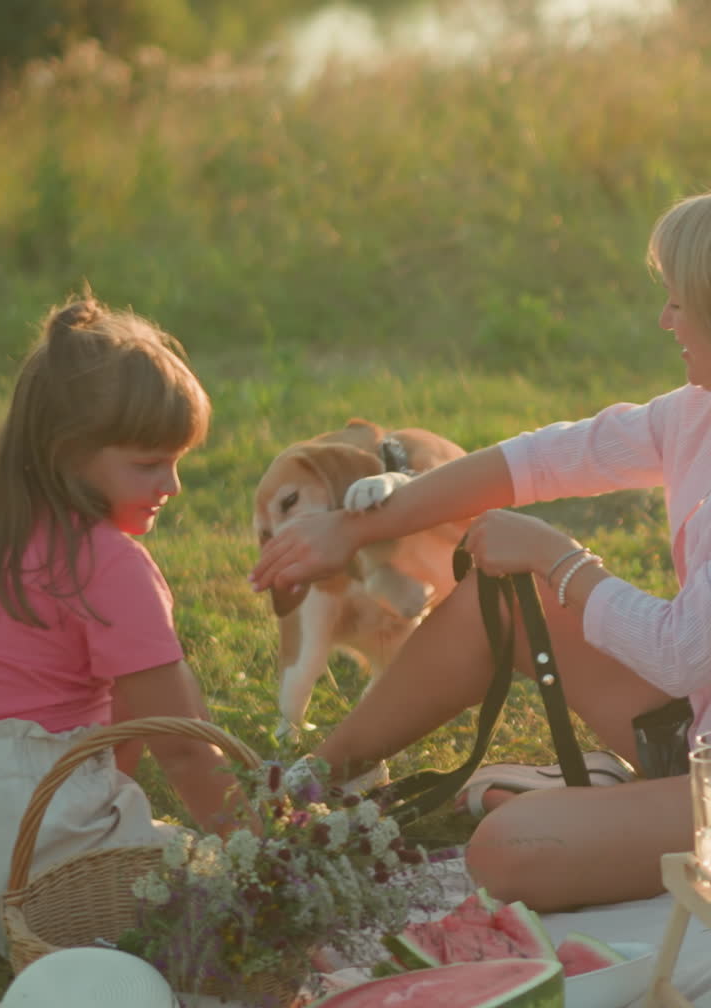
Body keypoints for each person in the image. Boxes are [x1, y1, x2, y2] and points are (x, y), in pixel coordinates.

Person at [250, 190, 711, 913]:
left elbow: (683, 654)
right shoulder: (694, 412)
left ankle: (600, 804)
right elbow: (534, 462)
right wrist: (353, 528)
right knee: (493, 599)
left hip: (703, 769)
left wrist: (561, 559)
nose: (665, 320)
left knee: (506, 851)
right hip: (693, 731)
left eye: (680, 303)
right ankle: (310, 785)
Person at [0, 293, 249, 953]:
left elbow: (116, 736)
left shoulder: (5, 533)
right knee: (215, 888)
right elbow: (186, 747)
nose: (173, 483)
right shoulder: (106, 564)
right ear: (67, 453)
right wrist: (266, 862)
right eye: (148, 463)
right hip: (38, 844)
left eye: (177, 459)